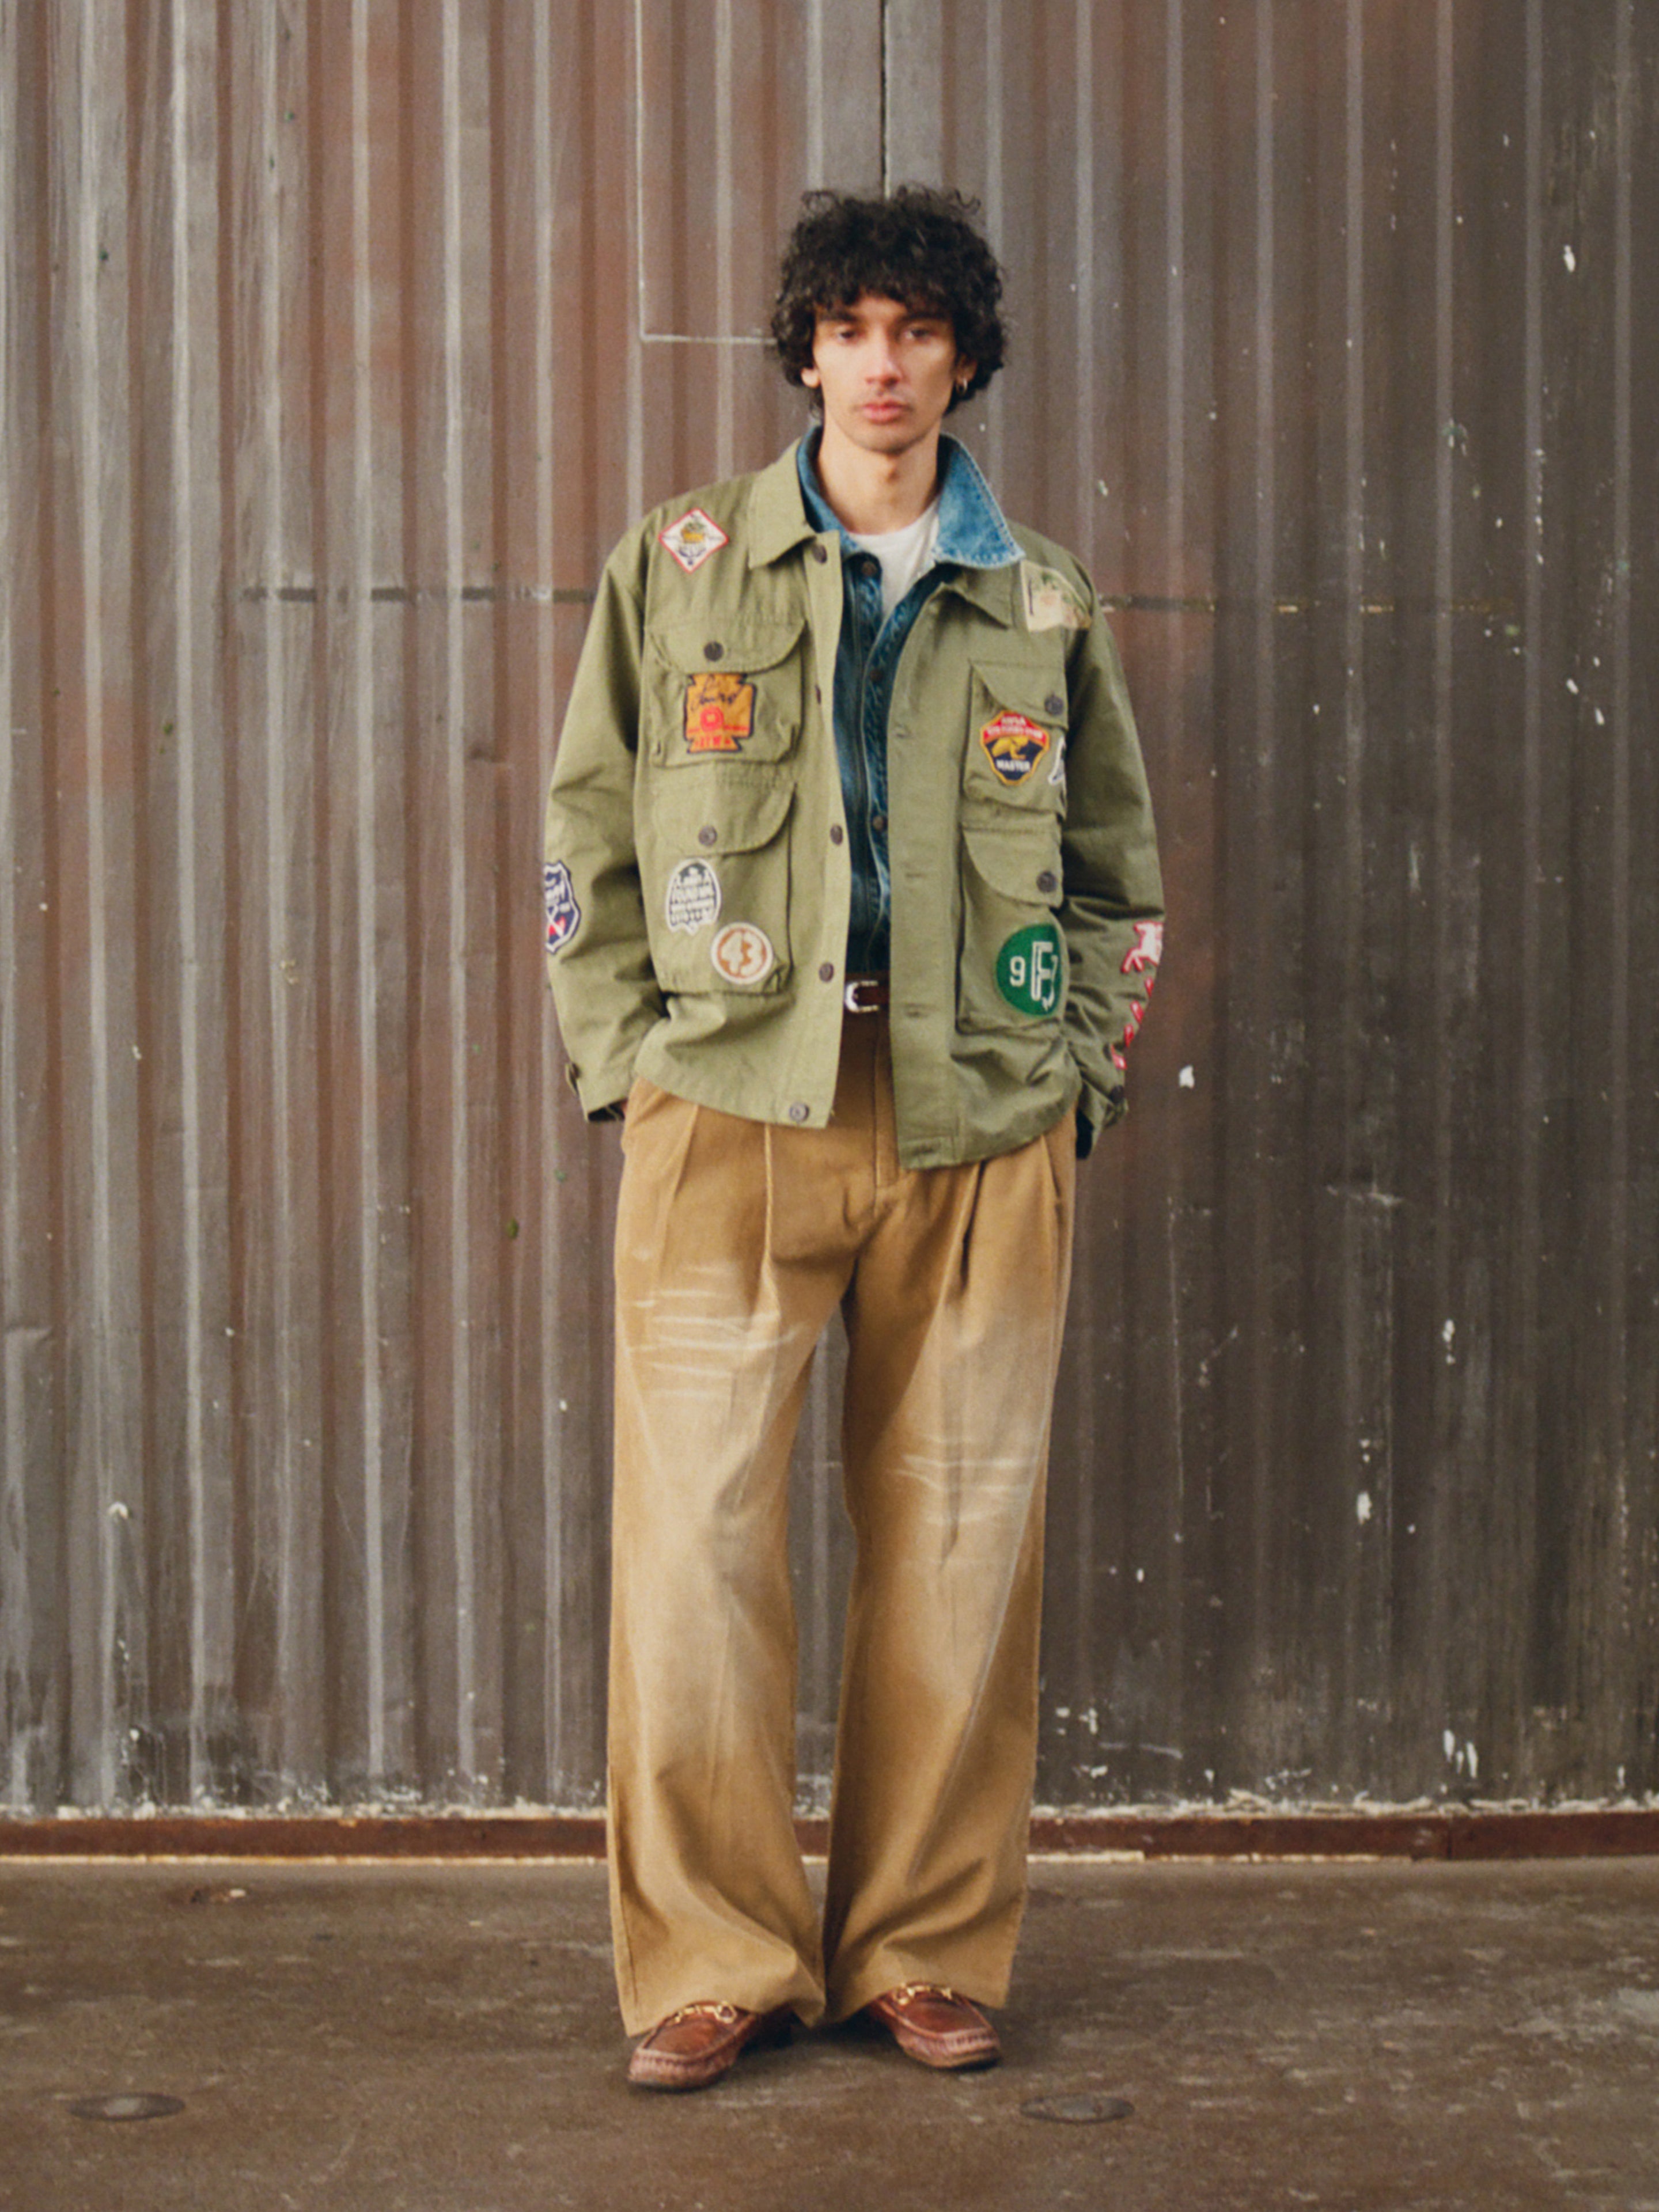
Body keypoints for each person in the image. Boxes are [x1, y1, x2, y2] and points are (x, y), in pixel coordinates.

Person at [542, 185, 1162, 2092]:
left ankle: (923, 1946)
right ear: (803, 350)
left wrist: (1077, 1075)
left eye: (918, 332)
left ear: (967, 357)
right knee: (698, 1551)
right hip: (729, 1109)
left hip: (978, 1117)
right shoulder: (686, 560)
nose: (882, 365)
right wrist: (630, 1063)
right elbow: (589, 836)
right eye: (850, 329)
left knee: (963, 1547)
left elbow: (1115, 872)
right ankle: (713, 1958)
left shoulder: (1043, 597)